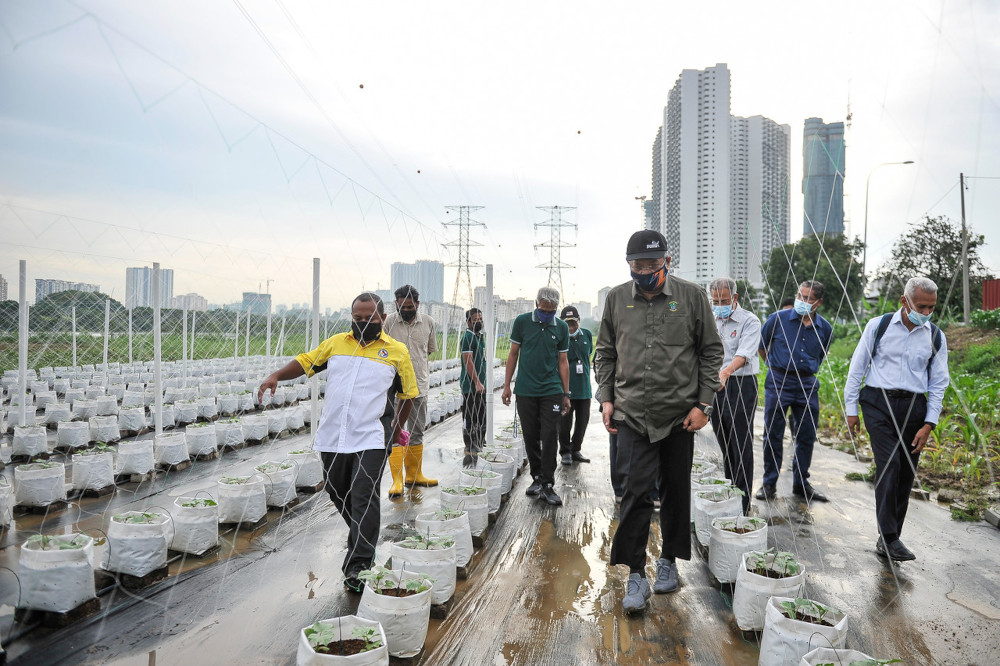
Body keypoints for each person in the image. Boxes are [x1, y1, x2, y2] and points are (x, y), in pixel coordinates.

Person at [594, 229, 723, 613]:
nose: (646, 270)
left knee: (675, 489)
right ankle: (636, 574)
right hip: (633, 413)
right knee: (635, 492)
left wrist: (704, 404)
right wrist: (606, 398)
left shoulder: (691, 297)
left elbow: (711, 352)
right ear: (629, 265)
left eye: (653, 263)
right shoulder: (617, 299)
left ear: (667, 260)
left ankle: (668, 561)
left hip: (679, 415)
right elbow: (605, 353)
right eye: (639, 265)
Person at [258, 292, 417, 592]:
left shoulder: (396, 351)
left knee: (363, 493)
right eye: (356, 318)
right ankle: (362, 535)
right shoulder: (336, 344)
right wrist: (276, 375)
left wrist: (396, 429)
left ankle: (359, 565)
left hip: (371, 434)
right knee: (336, 491)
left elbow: (408, 394)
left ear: (382, 318)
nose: (361, 323)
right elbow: (306, 362)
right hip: (334, 435)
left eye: (368, 318)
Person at [844, 277, 949, 562]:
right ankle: (890, 537)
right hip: (878, 402)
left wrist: (929, 424)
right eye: (921, 306)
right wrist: (851, 410)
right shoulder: (878, 326)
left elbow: (939, 383)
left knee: (905, 472)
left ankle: (890, 537)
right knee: (889, 464)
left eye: (931, 308)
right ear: (905, 301)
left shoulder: (935, 336)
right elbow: (857, 368)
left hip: (915, 407)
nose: (926, 313)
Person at [756, 280, 833, 503]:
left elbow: (821, 355)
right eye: (800, 295)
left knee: (807, 434)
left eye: (808, 298)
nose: (802, 301)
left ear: (818, 302)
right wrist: (774, 365)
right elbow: (762, 346)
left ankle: (801, 483)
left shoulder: (824, 328)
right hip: (779, 380)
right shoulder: (777, 319)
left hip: (807, 384)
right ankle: (769, 483)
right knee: (773, 433)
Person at [502, 286, 570, 506]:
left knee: (550, 435)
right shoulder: (522, 322)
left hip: (551, 390)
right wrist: (506, 386)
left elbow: (563, 362)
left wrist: (566, 394)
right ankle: (537, 478)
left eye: (551, 311)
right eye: (543, 310)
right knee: (530, 435)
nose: (547, 314)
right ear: (536, 304)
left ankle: (549, 484)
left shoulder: (560, 328)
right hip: (526, 390)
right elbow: (513, 354)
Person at [709, 277, 761, 514]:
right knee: (723, 437)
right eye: (715, 300)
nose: (719, 305)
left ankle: (743, 502)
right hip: (715, 384)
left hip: (741, 384)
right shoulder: (711, 319)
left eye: (724, 300)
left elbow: (744, 354)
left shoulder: (749, 321)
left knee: (741, 443)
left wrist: (726, 372)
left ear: (735, 298)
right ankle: (731, 490)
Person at [383, 284, 438, 496]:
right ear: (396, 305)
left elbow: (428, 351)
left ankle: (414, 475)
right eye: (401, 306)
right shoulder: (389, 322)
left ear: (417, 304)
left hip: (419, 386)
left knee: (416, 432)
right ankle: (396, 480)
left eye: (409, 306)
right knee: (395, 431)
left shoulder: (428, 323)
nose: (405, 309)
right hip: (394, 388)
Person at [559, 305, 593, 466]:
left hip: (584, 387)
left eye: (574, 323)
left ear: (579, 321)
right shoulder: (560, 338)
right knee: (565, 421)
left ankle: (575, 449)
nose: (571, 327)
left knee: (583, 421)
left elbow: (589, 355)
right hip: (566, 388)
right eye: (567, 323)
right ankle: (565, 451)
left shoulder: (586, 335)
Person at [460, 307, 488, 468]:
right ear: (468, 322)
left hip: (481, 385)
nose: (479, 322)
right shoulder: (468, 337)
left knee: (481, 415)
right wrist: (477, 382)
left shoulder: (479, 337)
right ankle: (470, 446)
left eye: (480, 319)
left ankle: (480, 441)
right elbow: (468, 362)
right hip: (470, 386)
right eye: (475, 320)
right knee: (470, 416)